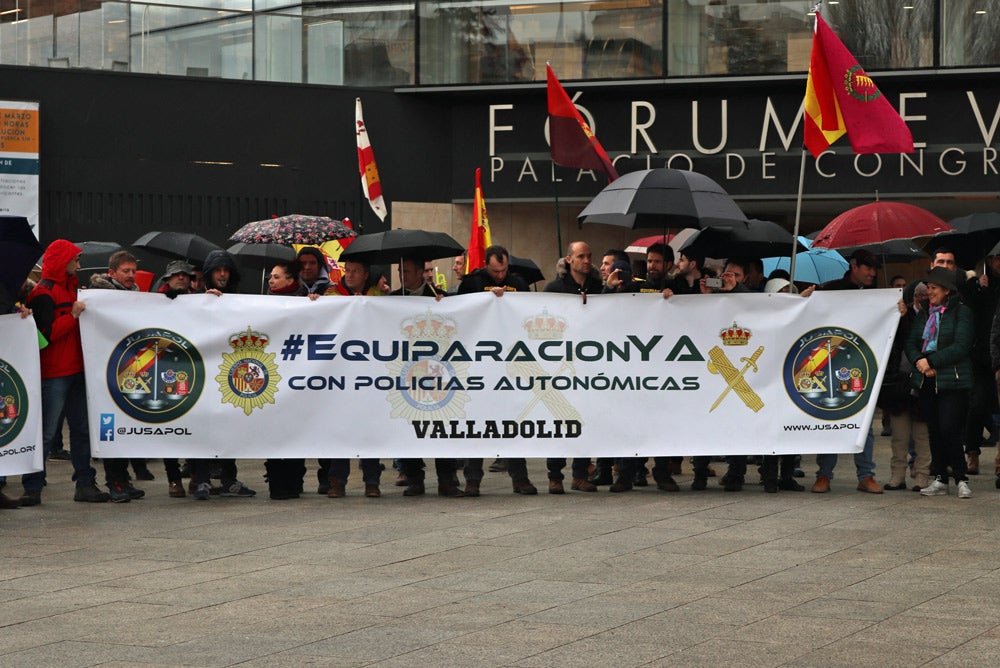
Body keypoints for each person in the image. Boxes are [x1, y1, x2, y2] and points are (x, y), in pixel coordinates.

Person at [20, 240, 110, 505]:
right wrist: (71, 316)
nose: (79, 266)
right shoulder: (43, 294)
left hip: (75, 371)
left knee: (81, 431)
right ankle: (33, 486)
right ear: (63, 262)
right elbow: (44, 336)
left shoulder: (71, 290)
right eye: (75, 261)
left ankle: (84, 483)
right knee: (47, 434)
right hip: (54, 373)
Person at [457, 245, 538, 496]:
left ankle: (520, 478)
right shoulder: (472, 283)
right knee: (477, 423)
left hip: (510, 360)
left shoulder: (518, 283)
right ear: (485, 264)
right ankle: (472, 480)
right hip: (479, 360)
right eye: (495, 271)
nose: (500, 276)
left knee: (513, 421)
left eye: (503, 270)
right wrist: (485, 299)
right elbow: (460, 311)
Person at [812, 249, 883, 494]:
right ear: (854, 266)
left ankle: (866, 475)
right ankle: (823, 475)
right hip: (827, 362)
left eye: (875, 269)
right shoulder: (830, 290)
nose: (872, 273)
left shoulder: (878, 296)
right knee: (830, 419)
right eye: (868, 268)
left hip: (863, 364)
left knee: (865, 423)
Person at [191, 249, 256, 500]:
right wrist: (202, 302)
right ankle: (202, 479)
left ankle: (229, 478)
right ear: (208, 274)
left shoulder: (237, 299)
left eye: (226, 270)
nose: (222, 275)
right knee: (203, 426)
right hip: (203, 372)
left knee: (231, 426)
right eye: (218, 270)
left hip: (231, 372)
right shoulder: (196, 299)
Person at [86, 250, 150, 501]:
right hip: (106, 370)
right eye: (126, 271)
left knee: (126, 424)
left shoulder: (135, 296)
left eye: (134, 271)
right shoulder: (100, 297)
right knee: (110, 425)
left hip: (130, 369)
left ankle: (123, 479)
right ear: (112, 273)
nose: (131, 276)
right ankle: (114, 482)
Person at [907, 267, 974, 498]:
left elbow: (961, 346)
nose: (929, 292)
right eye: (928, 288)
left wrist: (931, 361)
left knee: (949, 429)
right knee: (934, 430)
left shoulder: (962, 312)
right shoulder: (925, 313)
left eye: (934, 288)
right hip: (926, 381)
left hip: (953, 381)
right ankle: (940, 479)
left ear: (947, 290)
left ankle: (961, 477)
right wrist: (919, 361)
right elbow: (912, 342)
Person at [542, 241, 602, 493]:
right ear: (569, 260)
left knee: (584, 419)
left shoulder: (598, 287)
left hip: (588, 365)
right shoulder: (555, 288)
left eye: (589, 256)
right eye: (581, 256)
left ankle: (580, 473)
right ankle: (555, 475)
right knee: (559, 419)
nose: (586, 260)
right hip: (559, 364)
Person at [327, 258, 384, 498]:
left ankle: (372, 481)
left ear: (366, 273)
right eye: (347, 271)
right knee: (341, 429)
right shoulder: (331, 295)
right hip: (340, 374)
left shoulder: (377, 297)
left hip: (369, 375)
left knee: (369, 429)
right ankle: (337, 481)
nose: (349, 275)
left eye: (355, 271)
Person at [263, 261, 308, 500]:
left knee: (294, 429)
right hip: (273, 375)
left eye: (276, 277)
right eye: (270, 276)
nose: (271, 281)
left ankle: (294, 480)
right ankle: (276, 481)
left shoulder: (307, 300)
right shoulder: (261, 303)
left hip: (298, 374)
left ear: (291, 280)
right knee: (274, 429)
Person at [882, 280, 932, 491]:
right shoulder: (900, 315)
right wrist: (900, 317)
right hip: (899, 383)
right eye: (920, 295)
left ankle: (922, 475)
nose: (923, 298)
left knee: (922, 436)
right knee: (899, 436)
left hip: (924, 382)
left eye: (927, 294)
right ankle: (897, 476)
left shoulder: (935, 317)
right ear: (913, 297)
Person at [156, 259, 198, 498]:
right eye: (176, 275)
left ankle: (193, 475)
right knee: (168, 426)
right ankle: (173, 479)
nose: (180, 278)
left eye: (184, 274)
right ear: (168, 279)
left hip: (192, 369)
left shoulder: (199, 299)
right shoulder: (155, 301)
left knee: (193, 425)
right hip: (164, 371)